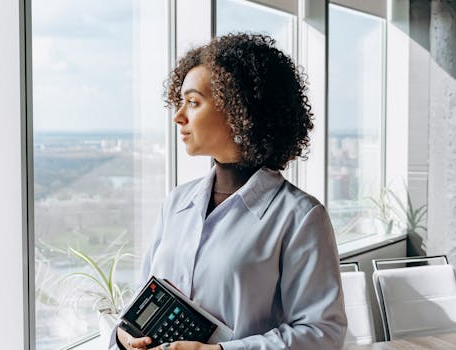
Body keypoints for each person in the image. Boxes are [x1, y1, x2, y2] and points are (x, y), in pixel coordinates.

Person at [115, 33, 347, 350]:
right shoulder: (177, 202)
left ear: (241, 112)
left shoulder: (300, 217)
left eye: (193, 102)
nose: (178, 116)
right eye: (180, 101)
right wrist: (123, 336)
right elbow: (143, 301)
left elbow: (323, 333)